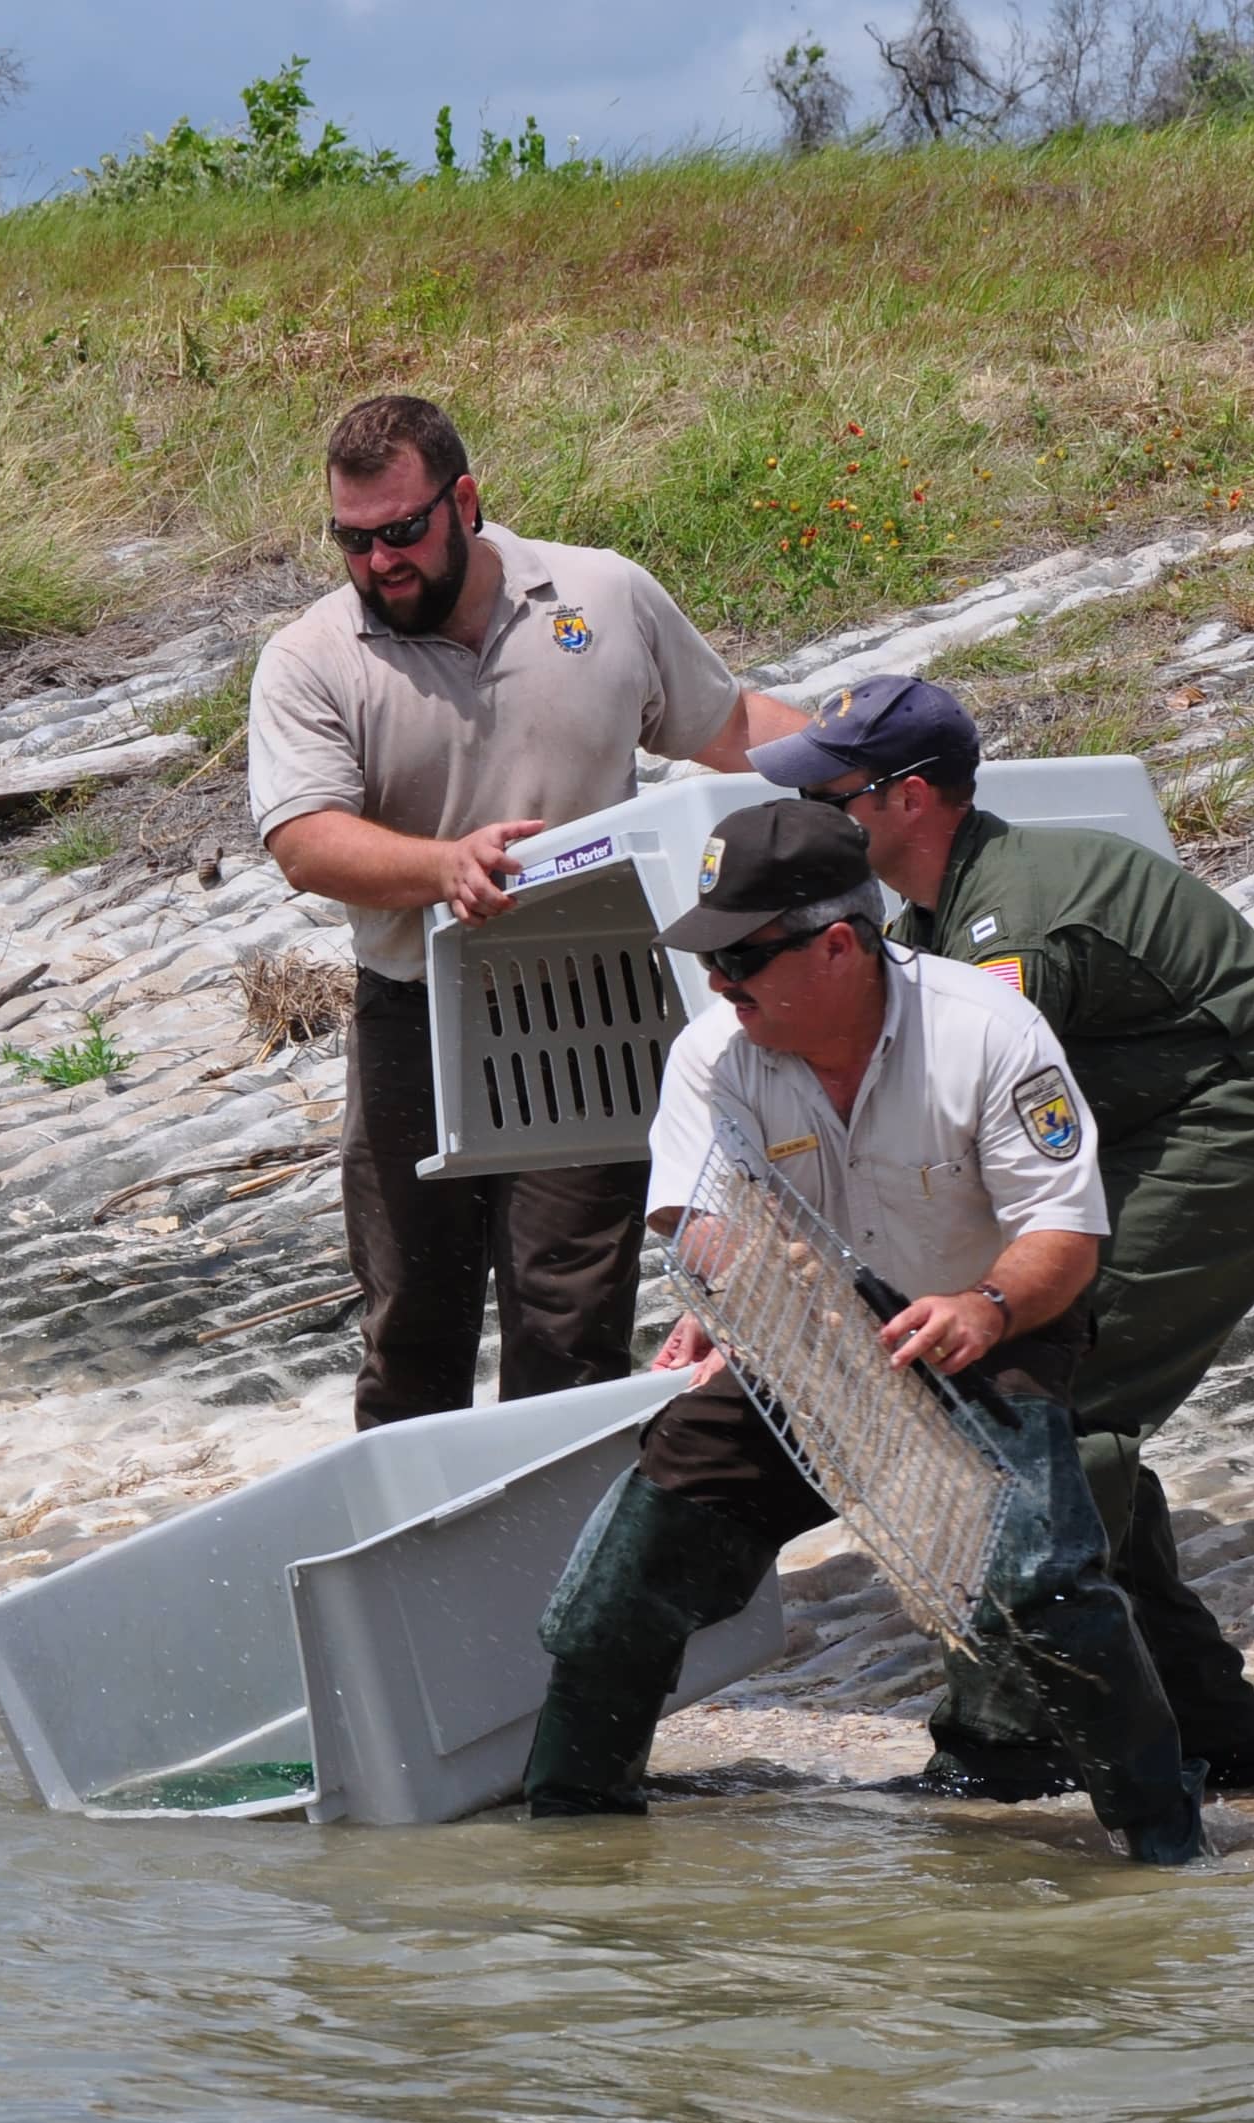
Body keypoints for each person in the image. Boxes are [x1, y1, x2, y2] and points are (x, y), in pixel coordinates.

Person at [519, 800, 1207, 1866]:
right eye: (709, 956)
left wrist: (984, 1306)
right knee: (615, 1590)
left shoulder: (987, 1028)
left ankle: (1167, 1851)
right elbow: (690, 1219)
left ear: (837, 944)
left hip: (986, 1328)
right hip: (798, 1344)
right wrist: (734, 1283)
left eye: (743, 956)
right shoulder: (715, 1056)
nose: (719, 982)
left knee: (1042, 1589)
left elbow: (1065, 1233)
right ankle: (573, 1852)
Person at [750, 674, 1254, 1797]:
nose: (820, 824)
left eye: (833, 800)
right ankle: (1211, 1732)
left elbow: (955, 1126)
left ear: (910, 799)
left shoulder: (1003, 929)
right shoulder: (933, 909)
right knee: (1061, 1413)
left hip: (1234, 1124)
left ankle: (1001, 1747)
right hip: (1133, 1128)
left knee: (1036, 1399)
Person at [247, 392, 810, 1430]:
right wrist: (441, 867)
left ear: (465, 501)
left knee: (568, 1319)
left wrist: (868, 763)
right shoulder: (311, 657)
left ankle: (559, 1561)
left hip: (592, 1010)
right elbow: (302, 840)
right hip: (414, 1013)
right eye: (354, 541)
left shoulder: (601, 593)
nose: (381, 564)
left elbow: (728, 725)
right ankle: (418, 1569)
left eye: (404, 532)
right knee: (412, 1319)